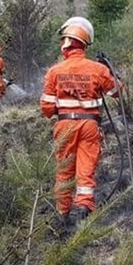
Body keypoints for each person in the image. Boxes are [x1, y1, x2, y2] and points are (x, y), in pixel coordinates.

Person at [40, 17, 121, 229]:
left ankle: (62, 215)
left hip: (65, 126)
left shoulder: (54, 71)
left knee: (64, 171)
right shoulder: (97, 69)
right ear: (84, 43)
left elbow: (47, 109)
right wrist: (109, 70)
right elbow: (118, 92)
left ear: (68, 42)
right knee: (86, 170)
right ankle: (84, 212)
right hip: (89, 126)